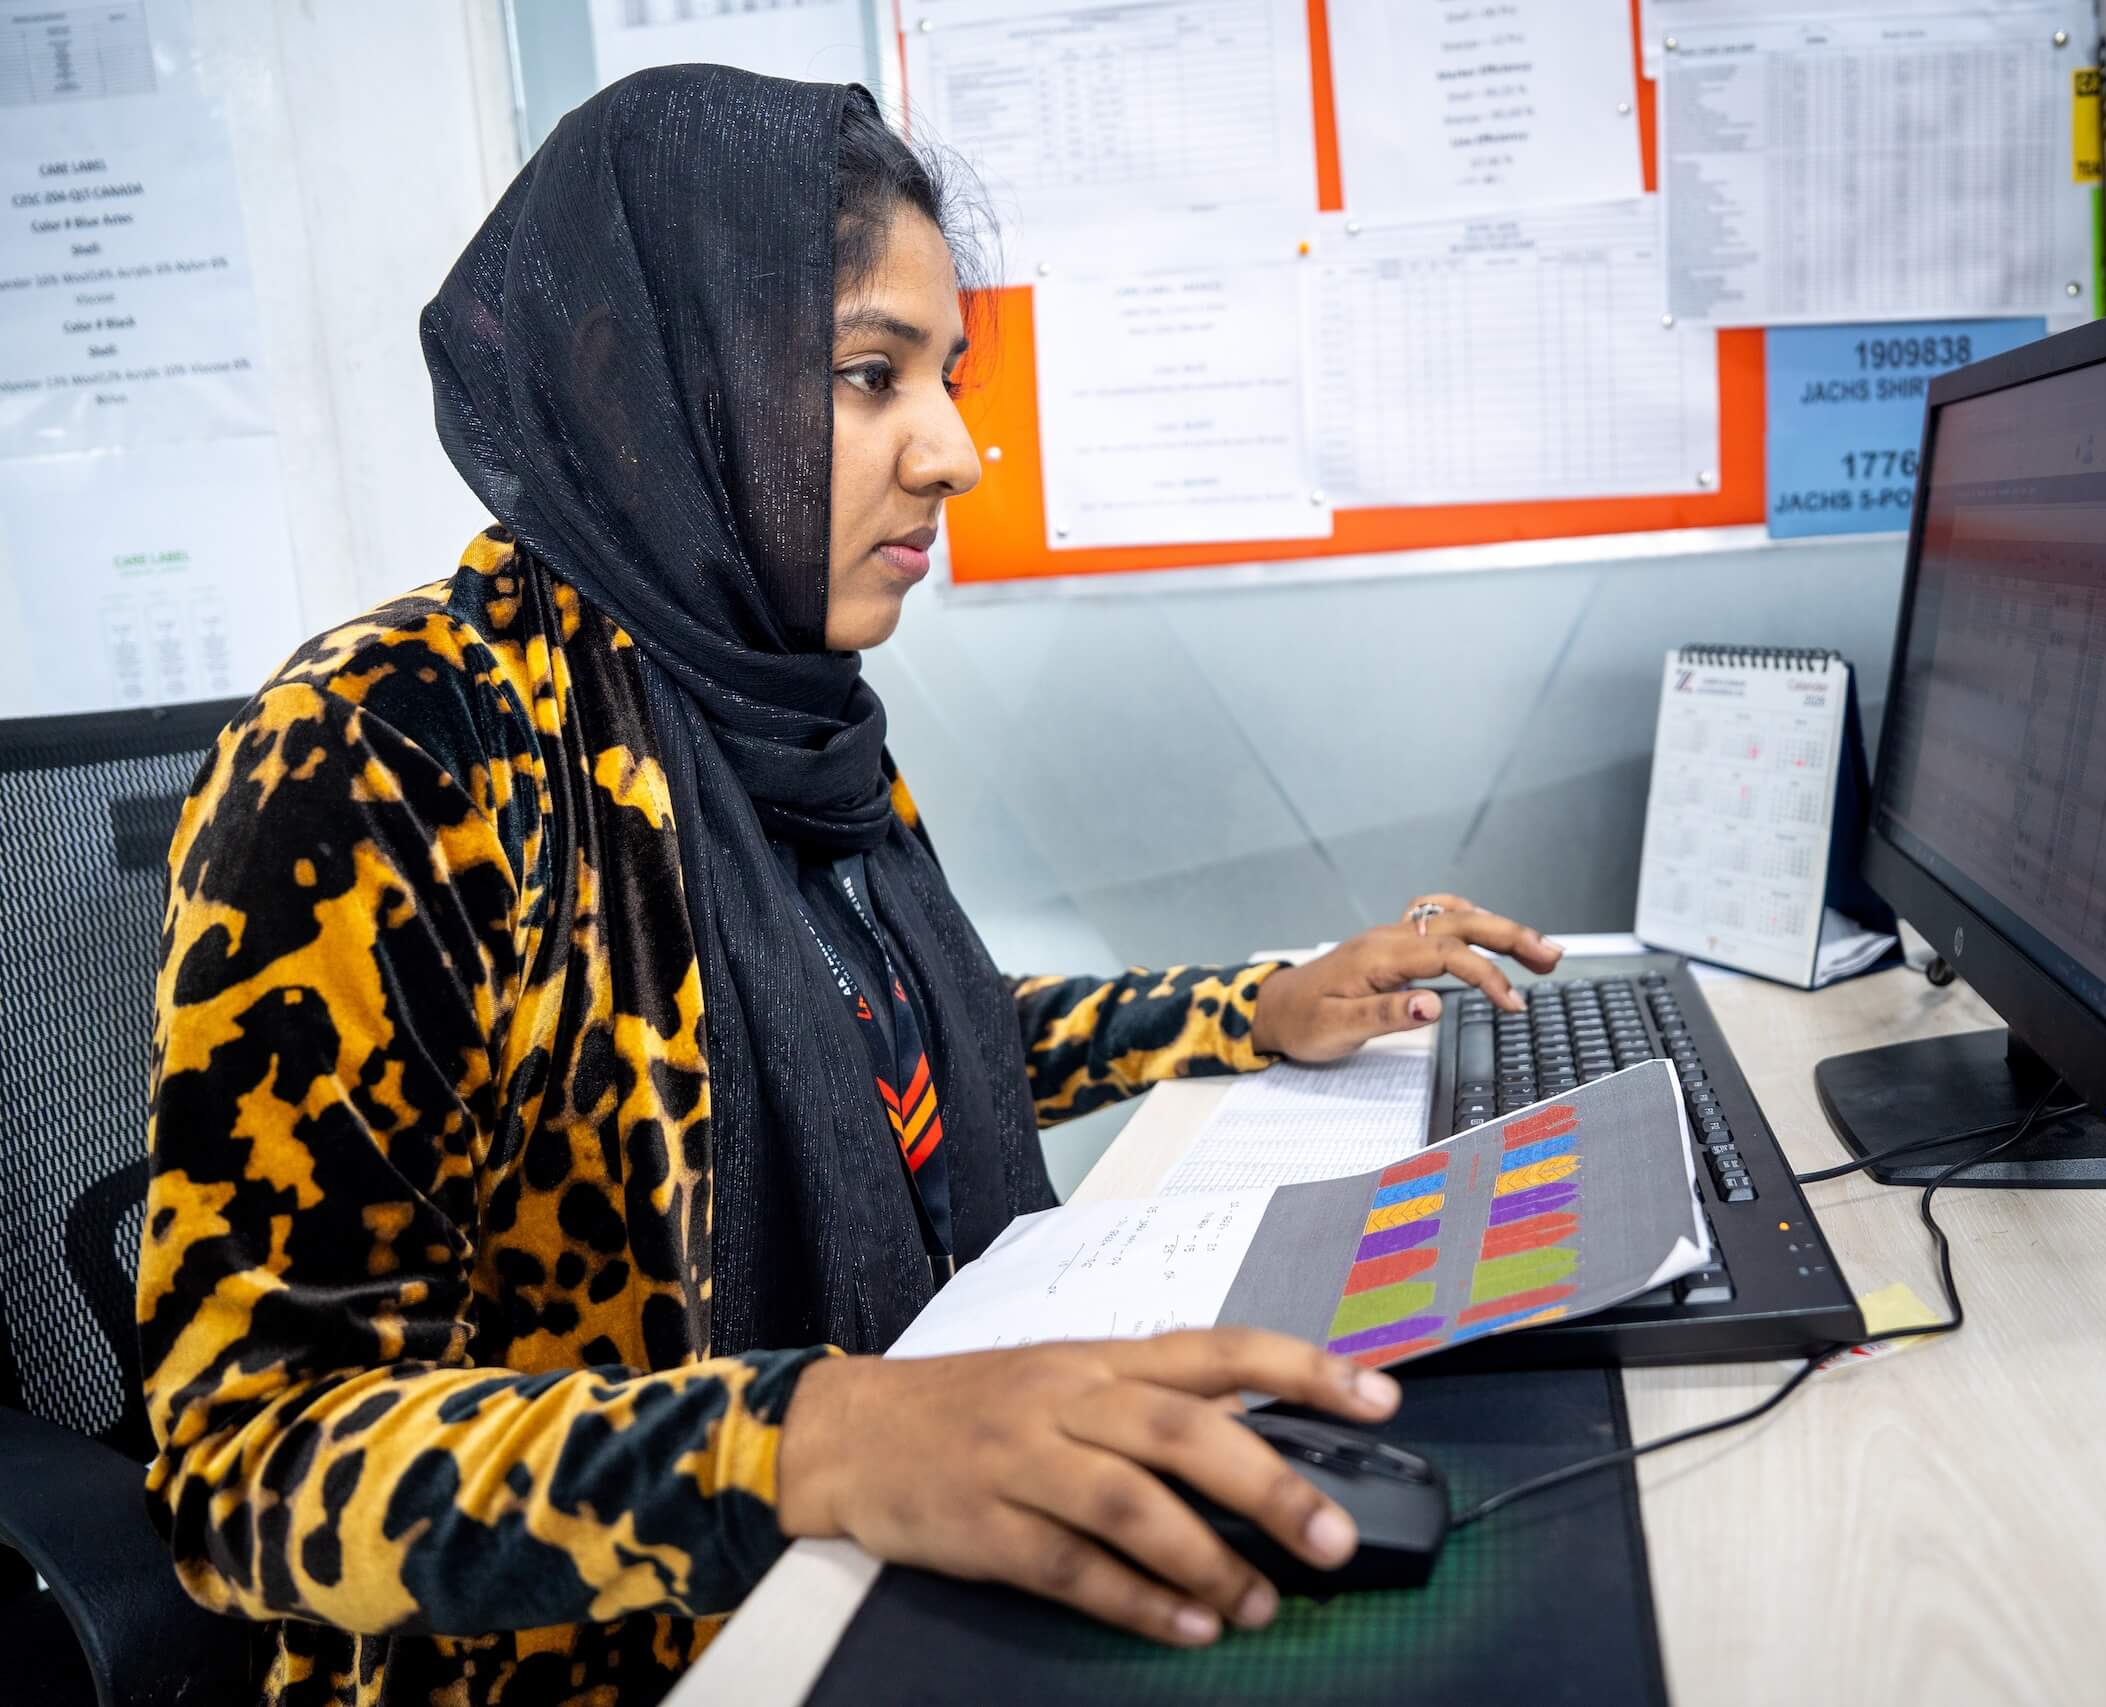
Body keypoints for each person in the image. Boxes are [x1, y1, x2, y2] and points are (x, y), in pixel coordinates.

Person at [137, 66, 1562, 1707]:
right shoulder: (384, 751)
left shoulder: (783, 711)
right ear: (640, 380)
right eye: (868, 375)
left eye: (944, 377)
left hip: (862, 1570)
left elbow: (896, 1035)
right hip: (599, 1661)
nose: (954, 450)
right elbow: (246, 1464)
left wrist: (1254, 1005)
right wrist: (818, 1434)